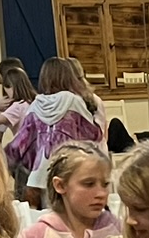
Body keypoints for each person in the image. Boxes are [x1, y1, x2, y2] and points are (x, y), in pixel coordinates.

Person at [14, 141, 118, 238]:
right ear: (60, 185)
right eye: (88, 184)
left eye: (105, 184)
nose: (101, 193)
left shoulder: (119, 231)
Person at [6, 58, 106, 199]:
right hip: (68, 172)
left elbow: (19, 144)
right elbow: (94, 134)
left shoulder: (36, 105)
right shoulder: (74, 101)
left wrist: (2, 162)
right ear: (68, 76)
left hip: (39, 178)